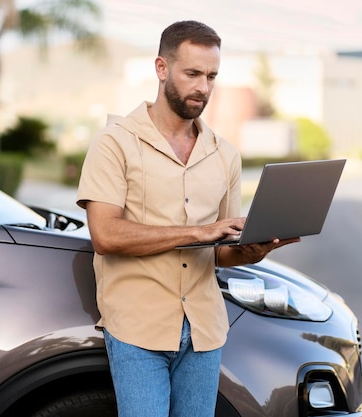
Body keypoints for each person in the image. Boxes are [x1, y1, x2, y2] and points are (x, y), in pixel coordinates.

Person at [76, 20, 300, 417]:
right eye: (193, 74)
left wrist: (253, 250)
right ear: (162, 68)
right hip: (136, 329)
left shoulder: (225, 154)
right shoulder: (115, 143)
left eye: (212, 76)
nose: (204, 87)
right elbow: (106, 235)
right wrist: (201, 231)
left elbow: (220, 252)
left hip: (204, 330)